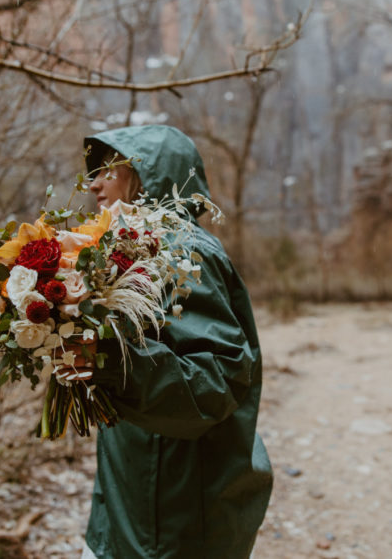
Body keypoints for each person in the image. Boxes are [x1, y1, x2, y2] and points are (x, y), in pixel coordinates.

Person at [77, 125, 272, 559]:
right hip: (130, 494)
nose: (93, 184)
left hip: (174, 511)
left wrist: (106, 360)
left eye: (110, 169)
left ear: (150, 176)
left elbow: (216, 381)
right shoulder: (131, 249)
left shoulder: (184, 251)